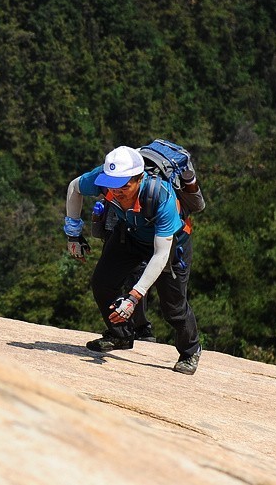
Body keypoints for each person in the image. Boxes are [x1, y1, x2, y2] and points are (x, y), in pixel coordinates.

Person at [63, 145, 203, 374]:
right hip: (130, 234)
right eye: (112, 185)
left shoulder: (161, 195)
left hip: (170, 243)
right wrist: (73, 233)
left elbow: (160, 255)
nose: (116, 191)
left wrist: (133, 297)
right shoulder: (105, 178)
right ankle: (121, 336)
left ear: (140, 178)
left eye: (124, 186)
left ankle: (190, 351)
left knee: (173, 306)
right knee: (103, 283)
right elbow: (75, 187)